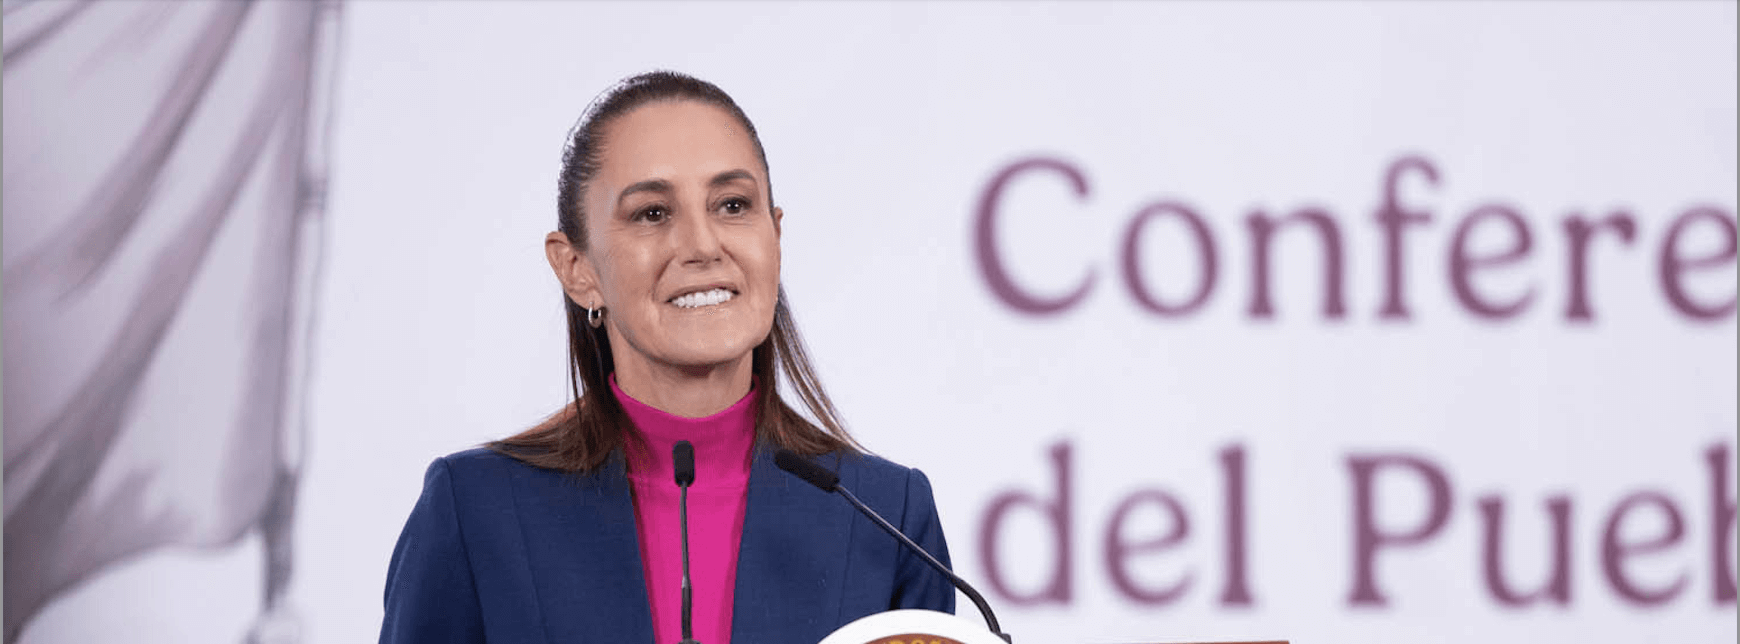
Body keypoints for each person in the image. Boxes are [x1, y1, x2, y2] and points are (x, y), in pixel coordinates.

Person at [379, 71, 955, 644]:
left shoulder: (888, 516)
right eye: (653, 213)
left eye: (732, 204)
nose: (703, 246)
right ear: (577, 270)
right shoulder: (475, 508)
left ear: (775, 239)